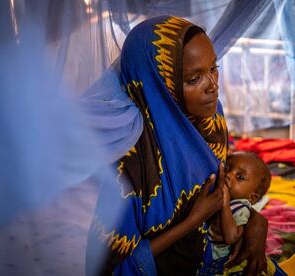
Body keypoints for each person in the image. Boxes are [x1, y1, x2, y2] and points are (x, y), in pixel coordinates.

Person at [86, 15, 274, 275]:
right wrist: (192, 221)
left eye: (213, 68)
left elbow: (219, 190)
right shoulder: (127, 165)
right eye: (194, 79)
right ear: (161, 85)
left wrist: (256, 221)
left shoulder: (209, 125)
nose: (214, 86)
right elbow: (112, 271)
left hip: (203, 257)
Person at [206, 152, 284, 275]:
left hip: (220, 261)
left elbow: (231, 236)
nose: (228, 175)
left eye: (240, 177)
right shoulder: (218, 195)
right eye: (227, 169)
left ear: (252, 198)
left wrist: (225, 205)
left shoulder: (241, 207)